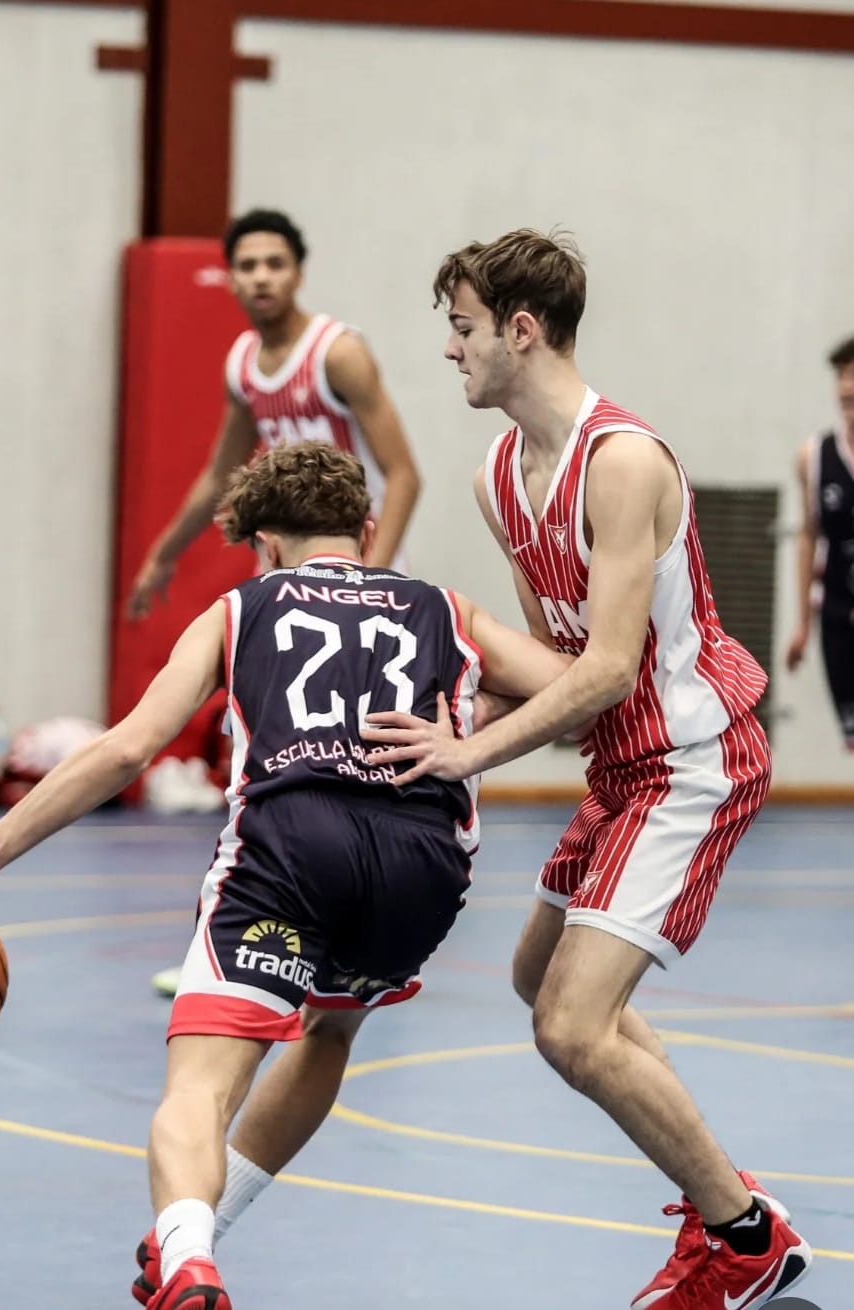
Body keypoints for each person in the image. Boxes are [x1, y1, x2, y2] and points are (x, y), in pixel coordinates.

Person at [0, 442, 576, 1310]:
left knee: (201, 1086)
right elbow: (575, 689)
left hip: (291, 849)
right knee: (330, 1032)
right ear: (366, 532)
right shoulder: (444, 606)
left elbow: (128, 749)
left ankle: (188, 1258)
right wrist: (471, 725)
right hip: (421, 864)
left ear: (265, 545)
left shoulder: (240, 609)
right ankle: (195, 1234)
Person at [361, 230, 812, 1310]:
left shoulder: (622, 462)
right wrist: (454, 710)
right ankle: (726, 1199)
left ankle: (743, 1236)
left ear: (521, 330)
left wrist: (467, 753)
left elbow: (608, 668)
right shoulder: (498, 478)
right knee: (540, 982)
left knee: (570, 1024)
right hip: (621, 765)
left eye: (463, 327)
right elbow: (559, 666)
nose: (450, 349)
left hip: (692, 760)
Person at [130, 207, 422, 997]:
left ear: (298, 270)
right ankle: (230, 941)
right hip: (291, 590)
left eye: (274, 263)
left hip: (362, 587)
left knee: (368, 767)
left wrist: (370, 582)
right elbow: (219, 475)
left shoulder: (340, 353)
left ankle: (363, 939)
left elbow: (403, 473)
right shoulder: (243, 364)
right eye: (247, 265)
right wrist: (164, 552)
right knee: (264, 764)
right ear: (229, 276)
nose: (261, 277)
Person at [786, 334, 854, 750]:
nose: (846, 386)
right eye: (842, 376)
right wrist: (802, 626)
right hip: (837, 615)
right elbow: (808, 537)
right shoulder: (814, 457)